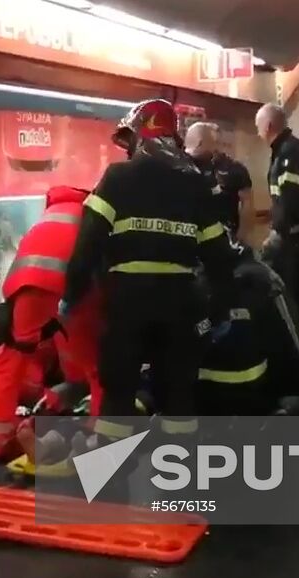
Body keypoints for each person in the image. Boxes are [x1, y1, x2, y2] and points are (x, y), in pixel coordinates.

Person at [60, 99, 238, 475]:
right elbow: (219, 255)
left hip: (127, 304)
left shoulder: (117, 178)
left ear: (140, 133)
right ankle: (179, 492)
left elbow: (86, 246)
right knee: (178, 398)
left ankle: (110, 489)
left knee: (118, 397)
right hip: (181, 304)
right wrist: (218, 307)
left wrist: (71, 296)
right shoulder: (195, 183)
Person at [0, 185, 104, 482]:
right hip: (74, 286)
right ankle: (97, 449)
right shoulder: (92, 214)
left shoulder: (46, 219)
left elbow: (20, 268)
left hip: (27, 287)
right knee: (97, 368)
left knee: (13, 359)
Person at [254, 103, 299, 411]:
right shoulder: (289, 150)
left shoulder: (288, 154)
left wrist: (276, 234)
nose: (258, 133)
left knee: (295, 308)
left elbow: (289, 201)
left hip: (295, 243)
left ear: (269, 126)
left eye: (259, 127)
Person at [195, 243, 299, 420]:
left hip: (206, 402)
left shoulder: (194, 289)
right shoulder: (262, 281)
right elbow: (286, 342)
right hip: (255, 400)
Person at [185, 121, 254, 235]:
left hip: (226, 233)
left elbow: (247, 205)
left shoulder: (235, 169)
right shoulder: (186, 165)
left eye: (217, 143)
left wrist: (243, 236)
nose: (215, 147)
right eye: (213, 143)